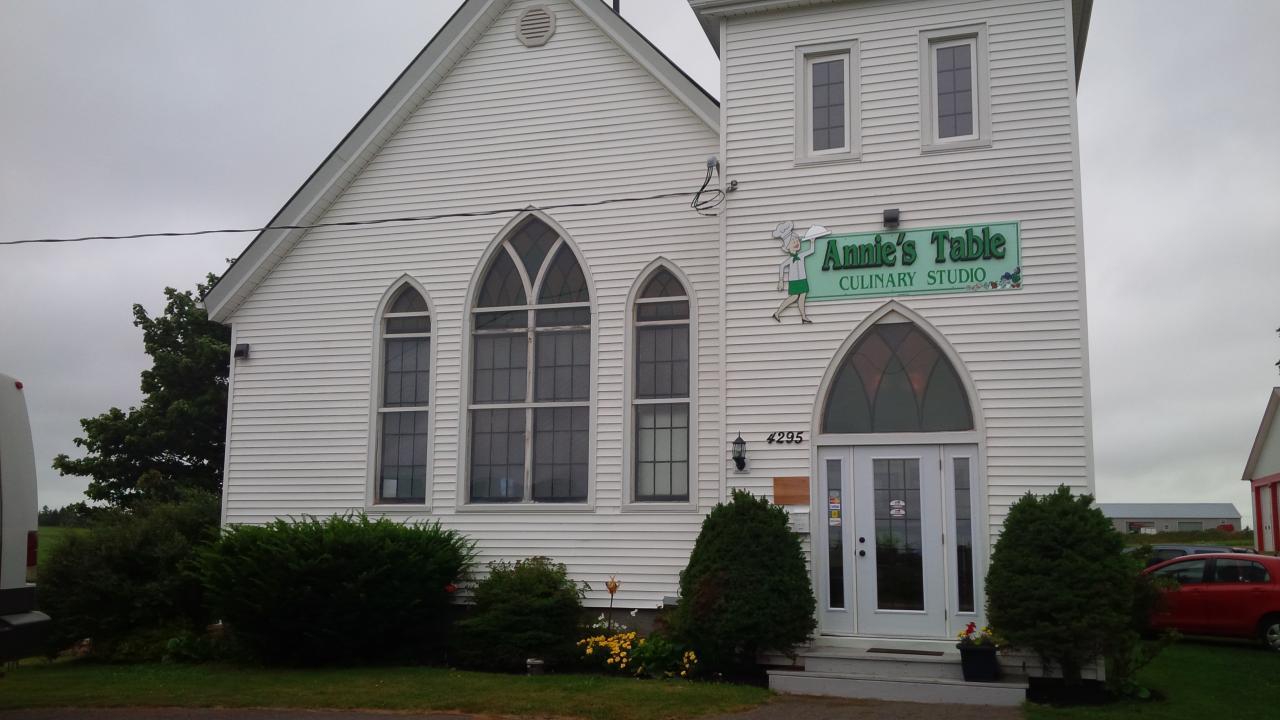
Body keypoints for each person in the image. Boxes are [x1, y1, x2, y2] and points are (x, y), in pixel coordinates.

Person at [772, 221, 828, 323]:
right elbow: (781, 266)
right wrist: (781, 281)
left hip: (802, 279)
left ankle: (803, 316)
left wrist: (812, 240)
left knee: (802, 296)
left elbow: (811, 250)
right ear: (787, 247)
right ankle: (777, 312)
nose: (797, 242)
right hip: (794, 281)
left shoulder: (801, 256)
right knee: (794, 297)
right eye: (794, 241)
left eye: (797, 240)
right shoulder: (790, 259)